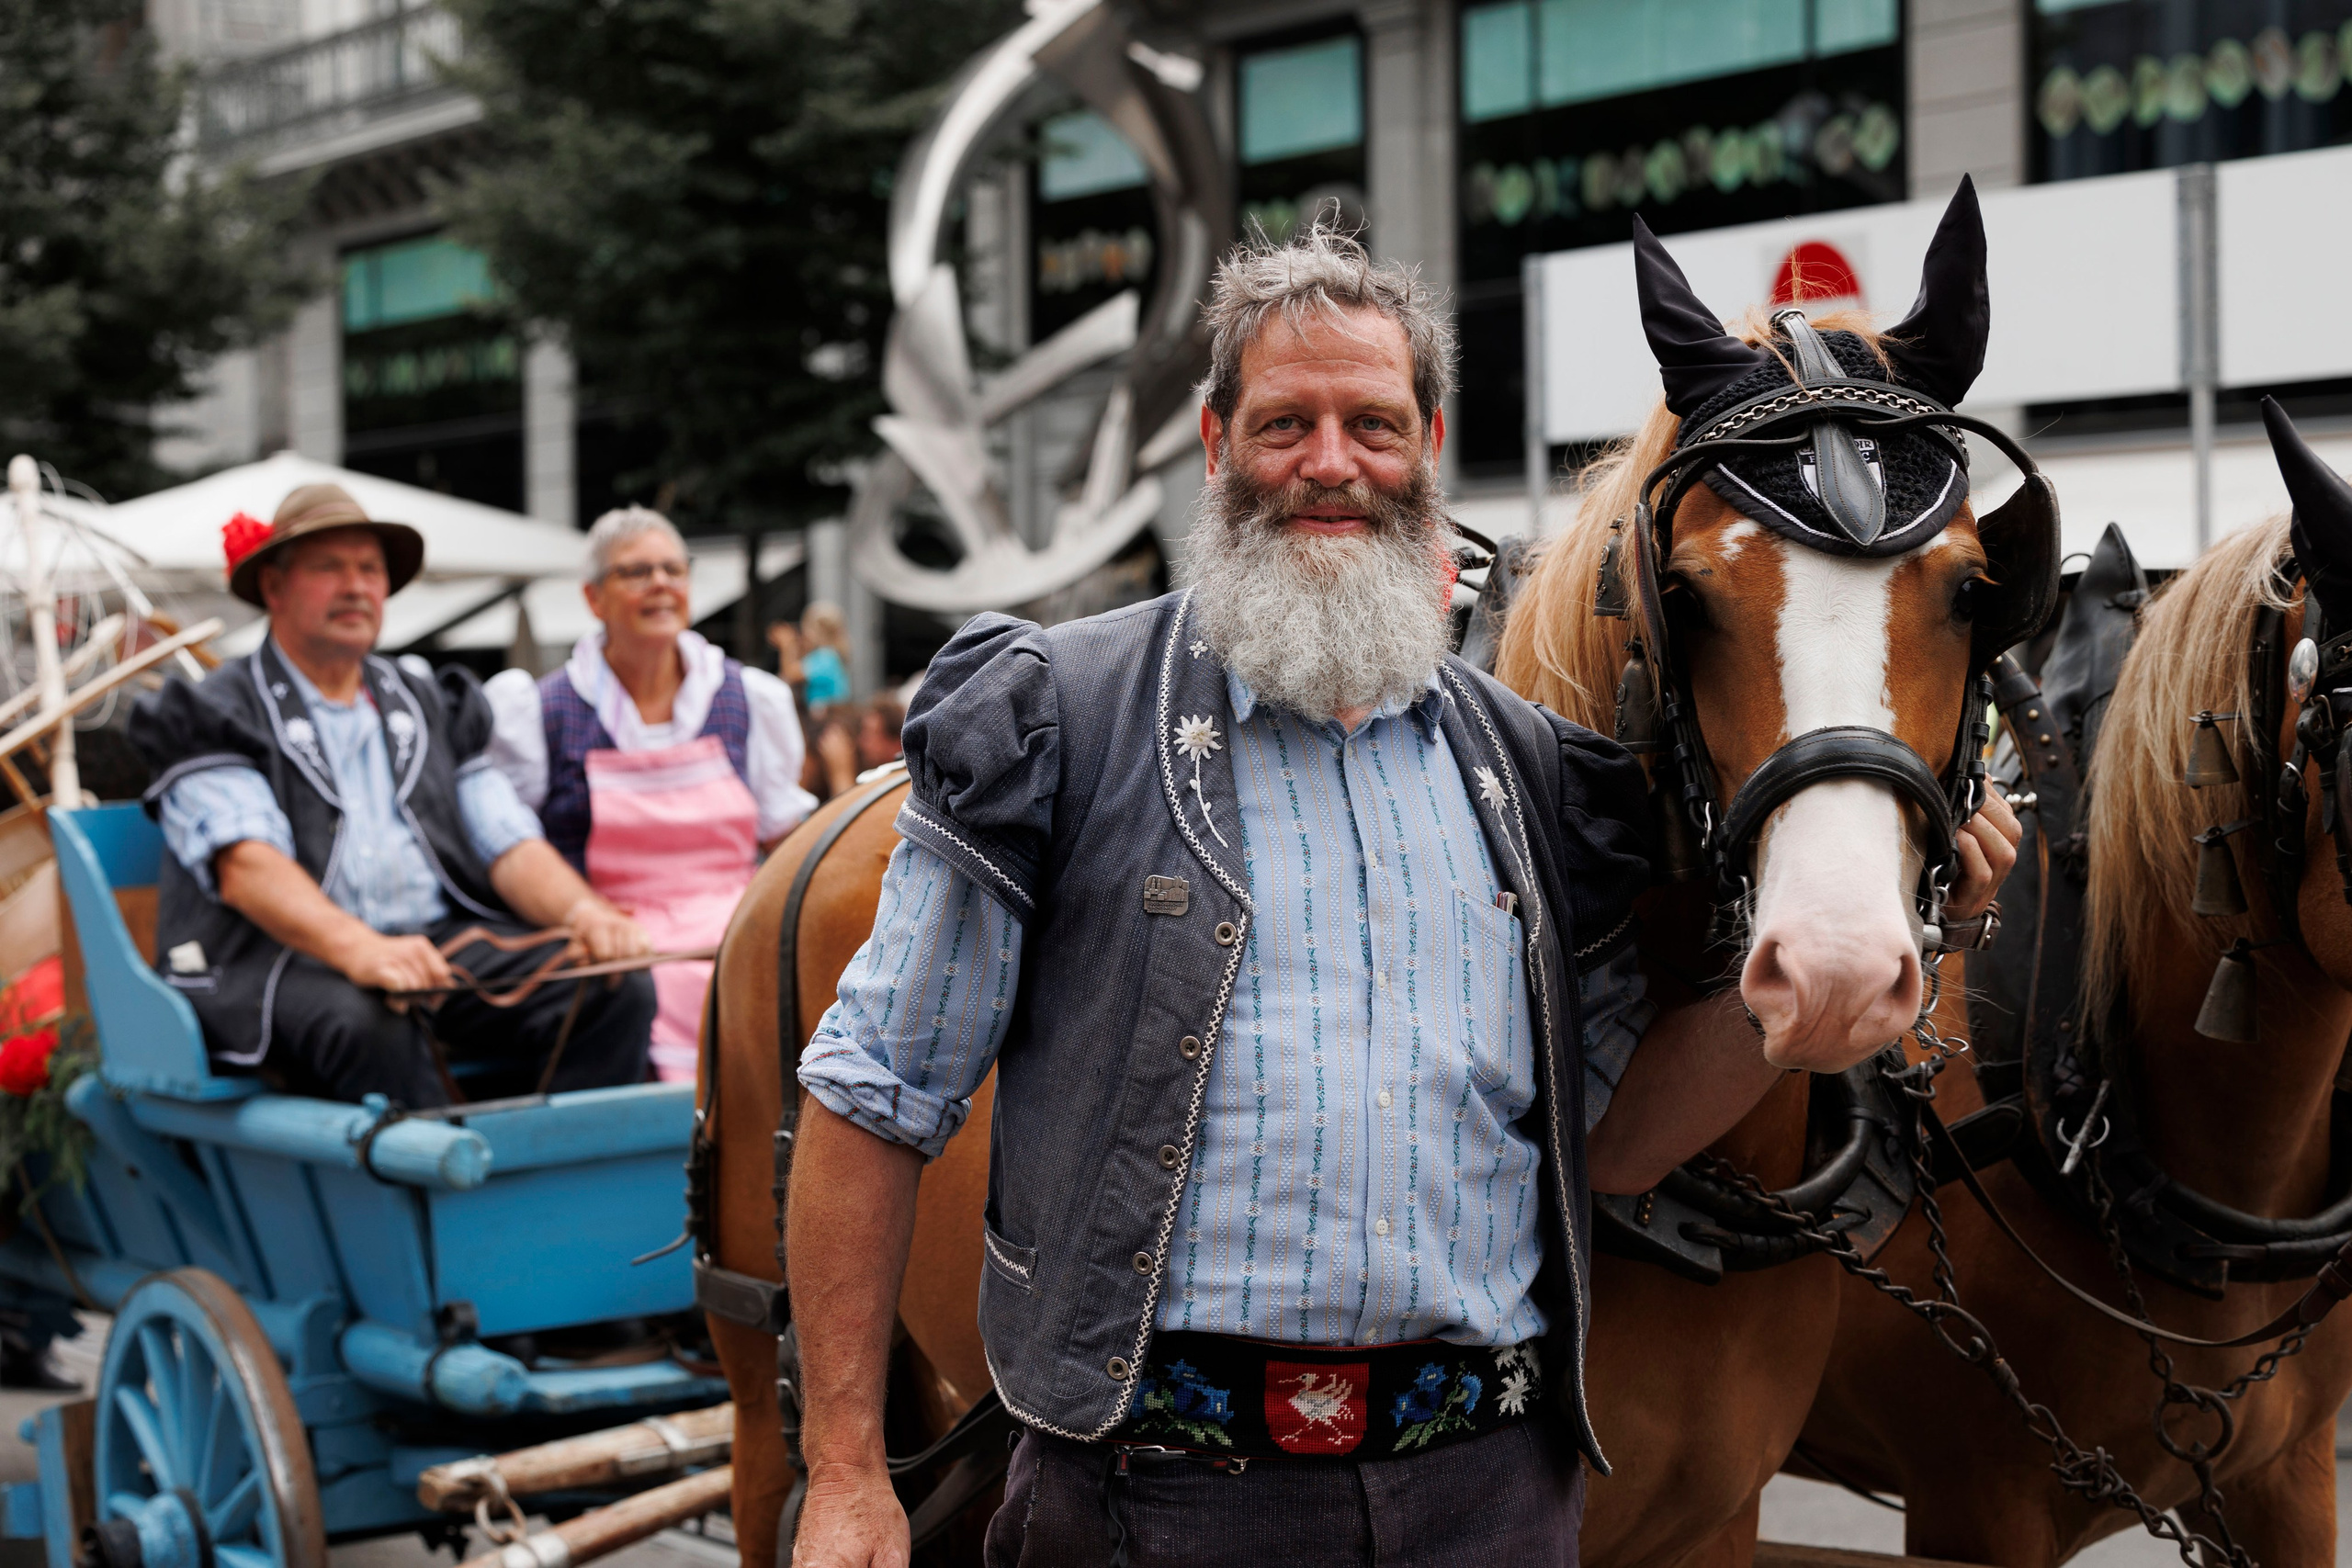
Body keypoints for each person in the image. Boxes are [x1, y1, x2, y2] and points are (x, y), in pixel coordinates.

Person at [787, 224, 2020, 1567]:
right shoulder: (1058, 717)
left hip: (1486, 1498)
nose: (1331, 462)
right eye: (1284, 423)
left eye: (1373, 422)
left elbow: (1613, 1140)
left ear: (1428, 443)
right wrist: (847, 1464)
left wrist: (1783, 992)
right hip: (1158, 1502)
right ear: (1214, 444)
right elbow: (870, 1093)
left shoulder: (1535, 772)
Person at [129, 484, 656, 1108]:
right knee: (368, 1019)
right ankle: (449, 1194)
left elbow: (506, 841)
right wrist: (362, 949)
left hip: (431, 947)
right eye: (330, 567)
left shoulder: (429, 698)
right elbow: (246, 865)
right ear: (274, 587)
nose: (356, 586)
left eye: (370, 569)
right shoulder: (215, 707)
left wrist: (585, 913)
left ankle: (565, 1182)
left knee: (614, 988)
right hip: (276, 961)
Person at [484, 508, 816, 1082]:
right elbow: (515, 849)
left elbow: (785, 837)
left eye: (673, 569)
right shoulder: (538, 710)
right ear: (594, 599)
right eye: (637, 572)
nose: (661, 583)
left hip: (739, 934)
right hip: (613, 944)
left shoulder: (747, 697)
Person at [798, 602, 852, 709]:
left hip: (828, 716)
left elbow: (793, 674)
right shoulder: (829, 654)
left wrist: (787, 645)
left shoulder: (826, 656)